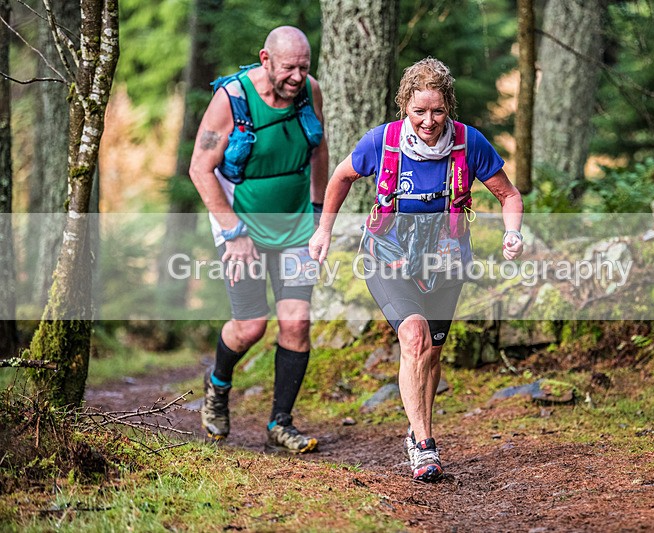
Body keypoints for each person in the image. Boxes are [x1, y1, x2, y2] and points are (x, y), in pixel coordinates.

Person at [309, 57, 523, 481]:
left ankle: (417, 425)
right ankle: (424, 445)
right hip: (388, 258)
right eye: (419, 111)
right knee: (414, 336)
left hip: (445, 262)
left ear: (449, 108)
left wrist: (512, 233)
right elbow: (339, 178)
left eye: (438, 111)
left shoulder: (469, 143)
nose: (429, 121)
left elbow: (509, 195)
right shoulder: (382, 142)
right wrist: (323, 232)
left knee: (432, 352)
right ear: (404, 106)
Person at [189, 26, 328, 453]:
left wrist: (319, 215)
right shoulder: (230, 100)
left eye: (304, 67)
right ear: (265, 59)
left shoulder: (310, 91)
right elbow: (199, 167)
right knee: (251, 326)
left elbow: (320, 150)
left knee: (296, 322)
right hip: (241, 225)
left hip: (296, 226)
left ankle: (280, 423)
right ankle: (217, 387)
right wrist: (233, 234)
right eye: (289, 67)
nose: (297, 77)